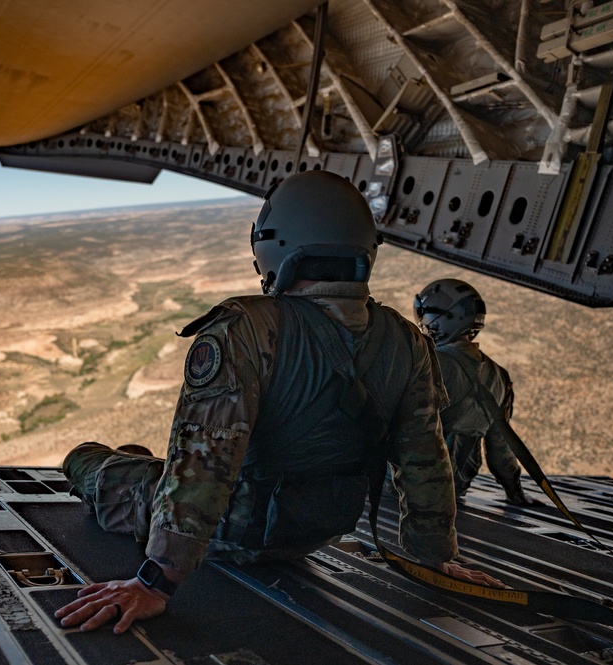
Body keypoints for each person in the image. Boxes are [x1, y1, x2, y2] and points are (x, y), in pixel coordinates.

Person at [56, 171, 503, 635]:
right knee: (139, 457)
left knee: (86, 459)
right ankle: (136, 463)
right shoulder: (408, 340)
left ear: (275, 245)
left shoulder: (247, 327)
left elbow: (206, 464)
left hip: (236, 532)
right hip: (317, 531)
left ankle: (109, 465)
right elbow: (426, 461)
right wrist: (437, 557)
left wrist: (155, 582)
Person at [413, 279, 539, 506]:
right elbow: (499, 448)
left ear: (440, 320)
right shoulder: (499, 377)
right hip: (452, 489)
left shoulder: (429, 363)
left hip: (403, 486)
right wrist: (515, 492)